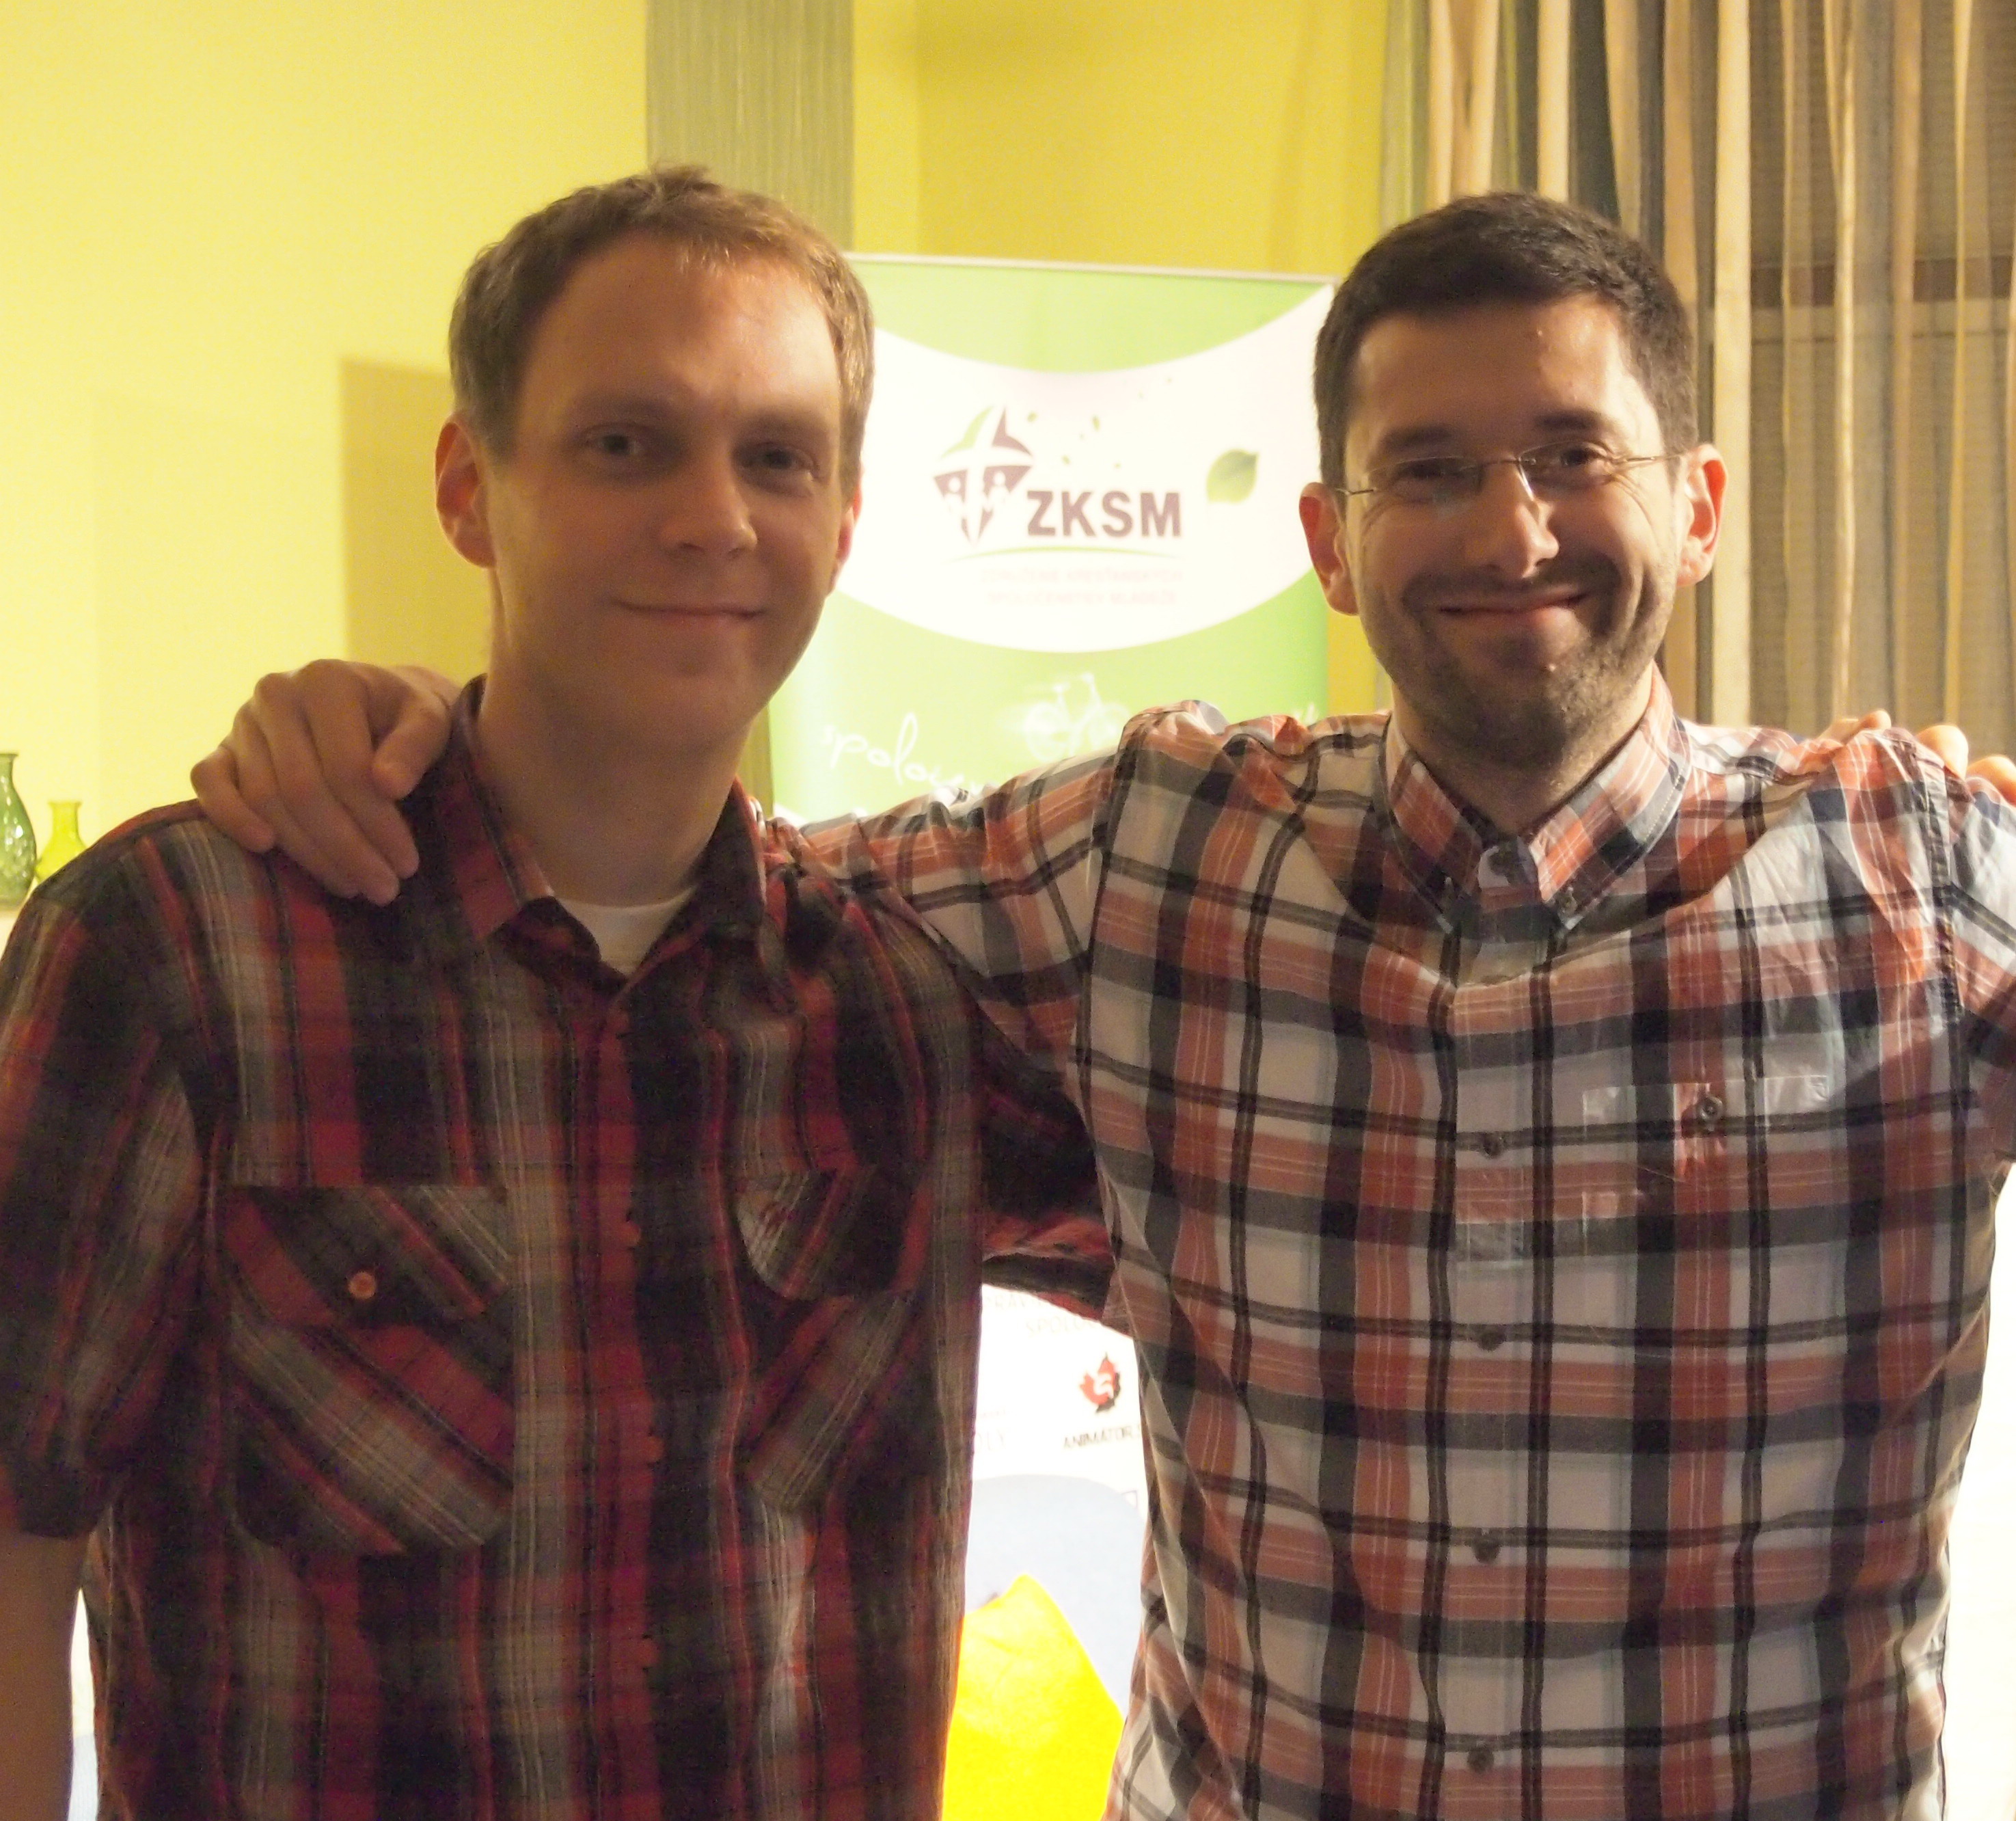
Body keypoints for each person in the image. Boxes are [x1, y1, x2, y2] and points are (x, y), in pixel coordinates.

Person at [194, 192, 2016, 1820]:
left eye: (1570, 452)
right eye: (1426, 470)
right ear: (1325, 539)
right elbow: (692, 884)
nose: (1507, 525)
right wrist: (410, 732)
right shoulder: (1153, 850)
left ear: (1695, 508)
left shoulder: (1921, 879)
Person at [0, 167, 1108, 1821]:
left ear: (845, 521)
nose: (712, 518)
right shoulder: (180, 957)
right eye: (625, 443)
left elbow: (1274, 1259)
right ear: (469, 487)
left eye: (777, 457)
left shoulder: (911, 1013)